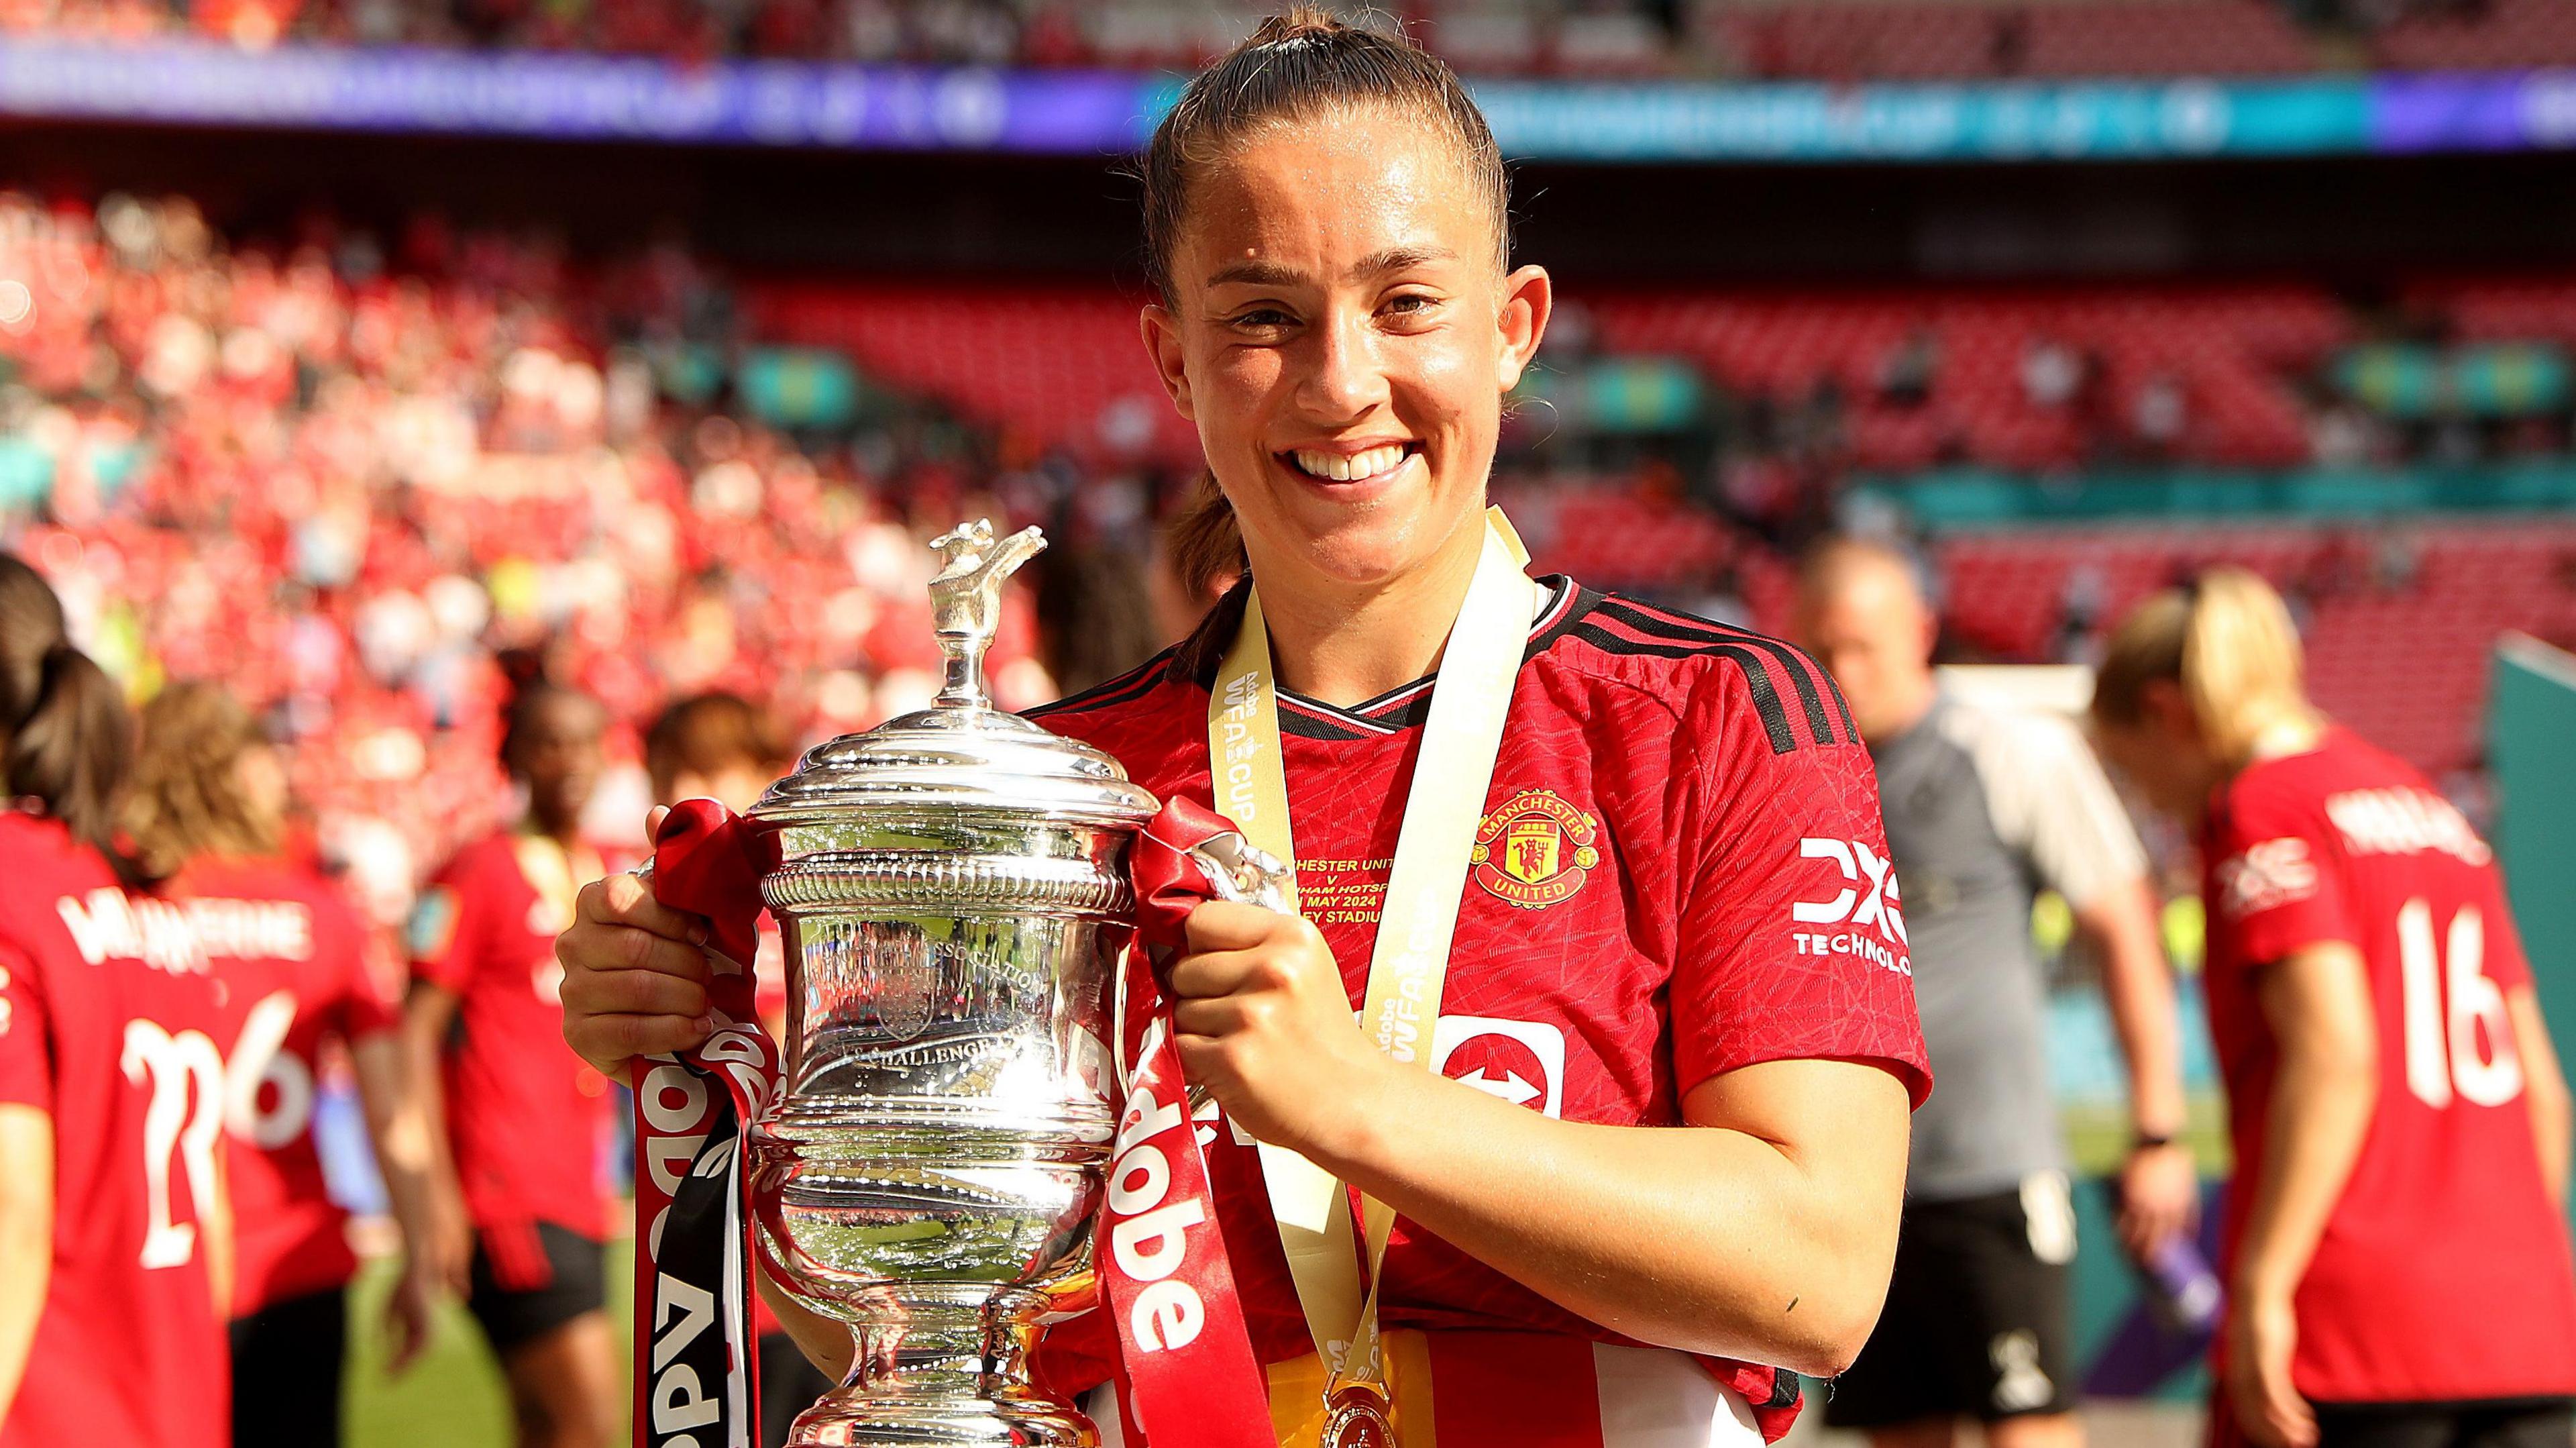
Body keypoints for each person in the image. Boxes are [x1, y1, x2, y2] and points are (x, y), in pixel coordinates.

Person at [553, 11, 1931, 1445]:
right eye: (1263, 316)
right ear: (1172, 357)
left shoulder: (1714, 719)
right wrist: (705, 1054)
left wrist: (1357, 1103)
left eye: (1407, 302)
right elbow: (910, 1326)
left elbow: (1821, 1271)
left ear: (1514, 328)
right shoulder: (1059, 799)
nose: (1341, 382)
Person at [2090, 569, 2576, 1448]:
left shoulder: (2264, 810)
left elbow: (2335, 1053)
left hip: (2356, 1324)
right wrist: (2513, 1271)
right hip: (2520, 1319)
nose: (2151, 802)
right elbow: (2542, 1090)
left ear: (2166, 713)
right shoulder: (2432, 808)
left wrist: (2264, 1283)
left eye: (2131, 769)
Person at [1792, 537, 2196, 1448]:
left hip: (1989, 1173)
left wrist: (2158, 1130)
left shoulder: (2008, 751)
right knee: (1898, 1432)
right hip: (1854, 1184)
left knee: (2031, 1428)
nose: (1843, 671)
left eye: (1863, 646)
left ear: (1922, 631)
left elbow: (2125, 926)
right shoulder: (1793, 772)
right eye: (1821, 648)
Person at [121, 680, 445, 1448]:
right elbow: (387, 1106)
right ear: (233, 769)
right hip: (292, 1271)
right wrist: (420, 1249)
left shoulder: (124, 913)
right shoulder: (321, 915)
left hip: (158, 1265)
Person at [0, 555, 230, 1447]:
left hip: (47, 1407)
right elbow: (211, 1211)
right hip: (176, 1402)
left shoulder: (12, 884)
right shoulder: (143, 890)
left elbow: (12, 1210)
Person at [402, 677, 619, 1448]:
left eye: (586, 741)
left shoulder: (599, 868)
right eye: (550, 742)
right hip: (508, 1191)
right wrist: (432, 1197)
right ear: (515, 757)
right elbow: (414, 1030)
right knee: (590, 1422)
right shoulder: (477, 870)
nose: (572, 760)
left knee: (546, 1426)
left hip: (577, 1191)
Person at [639, 690, 828, 1448]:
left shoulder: (821, 899)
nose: (687, 786)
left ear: (769, 771)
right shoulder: (663, 915)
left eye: (712, 766)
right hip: (719, 1258)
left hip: (823, 1243)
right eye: (669, 770)